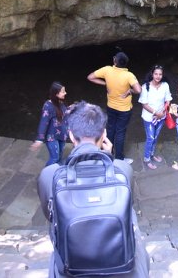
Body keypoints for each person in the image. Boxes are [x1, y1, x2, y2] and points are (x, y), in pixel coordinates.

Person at [37, 101, 149, 277]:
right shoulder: (122, 169)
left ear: (71, 135)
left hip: (71, 267)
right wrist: (110, 158)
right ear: (104, 134)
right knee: (133, 218)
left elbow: (50, 215)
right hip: (122, 268)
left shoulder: (50, 175)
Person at [87, 52, 141, 163]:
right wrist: (130, 90)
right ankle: (120, 158)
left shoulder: (107, 70)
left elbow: (90, 77)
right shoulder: (129, 75)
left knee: (110, 130)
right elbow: (139, 90)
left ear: (114, 61)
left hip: (111, 106)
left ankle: (108, 154)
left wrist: (105, 84)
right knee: (120, 132)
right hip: (124, 109)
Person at [138, 65, 172, 169]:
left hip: (161, 116)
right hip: (149, 118)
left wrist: (162, 111)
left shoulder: (165, 85)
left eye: (160, 74)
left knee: (156, 137)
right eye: (156, 74)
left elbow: (168, 100)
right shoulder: (145, 87)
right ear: (152, 74)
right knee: (150, 138)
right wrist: (155, 113)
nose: (158, 76)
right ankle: (147, 158)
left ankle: (152, 154)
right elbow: (144, 104)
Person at [30, 82, 69, 166]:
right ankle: (47, 173)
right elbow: (43, 123)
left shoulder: (60, 102)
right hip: (52, 137)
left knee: (60, 155)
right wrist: (39, 139)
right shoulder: (48, 106)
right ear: (56, 94)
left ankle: (58, 171)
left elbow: (64, 114)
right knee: (54, 158)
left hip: (62, 134)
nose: (65, 93)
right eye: (63, 91)